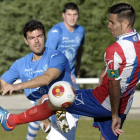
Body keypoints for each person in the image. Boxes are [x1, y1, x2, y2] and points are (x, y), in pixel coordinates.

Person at [0, 2, 139, 140]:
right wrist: (106, 69)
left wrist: (114, 115)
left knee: (56, 97)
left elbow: (114, 82)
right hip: (123, 106)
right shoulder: (136, 42)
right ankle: (47, 122)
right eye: (31, 38)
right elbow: (120, 67)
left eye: (112, 22)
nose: (109, 25)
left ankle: (12, 120)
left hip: (103, 101)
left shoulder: (113, 50)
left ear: (125, 23)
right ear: (26, 40)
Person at [0, 20, 74, 137]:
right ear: (26, 41)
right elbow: (2, 83)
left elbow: (47, 79)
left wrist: (17, 85)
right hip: (41, 112)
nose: (36, 41)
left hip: (66, 110)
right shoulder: (20, 64)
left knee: (49, 96)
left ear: (44, 37)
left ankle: (45, 121)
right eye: (31, 38)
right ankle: (44, 121)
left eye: (39, 36)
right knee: (43, 98)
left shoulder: (57, 56)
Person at [26, 2, 85, 140]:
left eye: (75, 14)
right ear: (63, 15)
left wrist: (77, 68)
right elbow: (47, 55)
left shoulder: (81, 30)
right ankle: (45, 129)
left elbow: (80, 50)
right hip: (54, 75)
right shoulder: (56, 32)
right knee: (51, 108)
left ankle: (52, 128)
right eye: (69, 14)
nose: (72, 18)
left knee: (75, 108)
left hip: (69, 76)